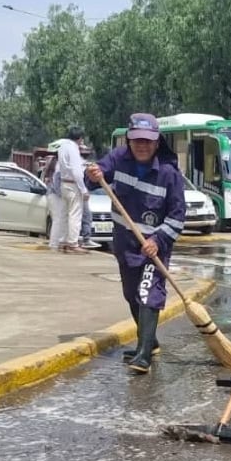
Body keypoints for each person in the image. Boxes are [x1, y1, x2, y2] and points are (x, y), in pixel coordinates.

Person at [85, 113, 186, 374]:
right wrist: (92, 173)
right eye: (137, 140)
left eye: (148, 141)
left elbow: (177, 217)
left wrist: (158, 239)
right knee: (131, 294)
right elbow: (94, 178)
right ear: (129, 140)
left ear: (157, 142)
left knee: (148, 293)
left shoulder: (168, 173)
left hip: (153, 246)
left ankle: (143, 355)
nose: (142, 145)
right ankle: (148, 341)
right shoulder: (118, 158)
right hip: (124, 242)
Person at [57, 126, 89, 254]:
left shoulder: (62, 147)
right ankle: (73, 243)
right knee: (75, 214)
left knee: (64, 214)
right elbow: (76, 171)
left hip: (64, 182)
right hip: (73, 184)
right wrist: (83, 189)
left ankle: (63, 241)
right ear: (80, 138)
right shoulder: (73, 148)